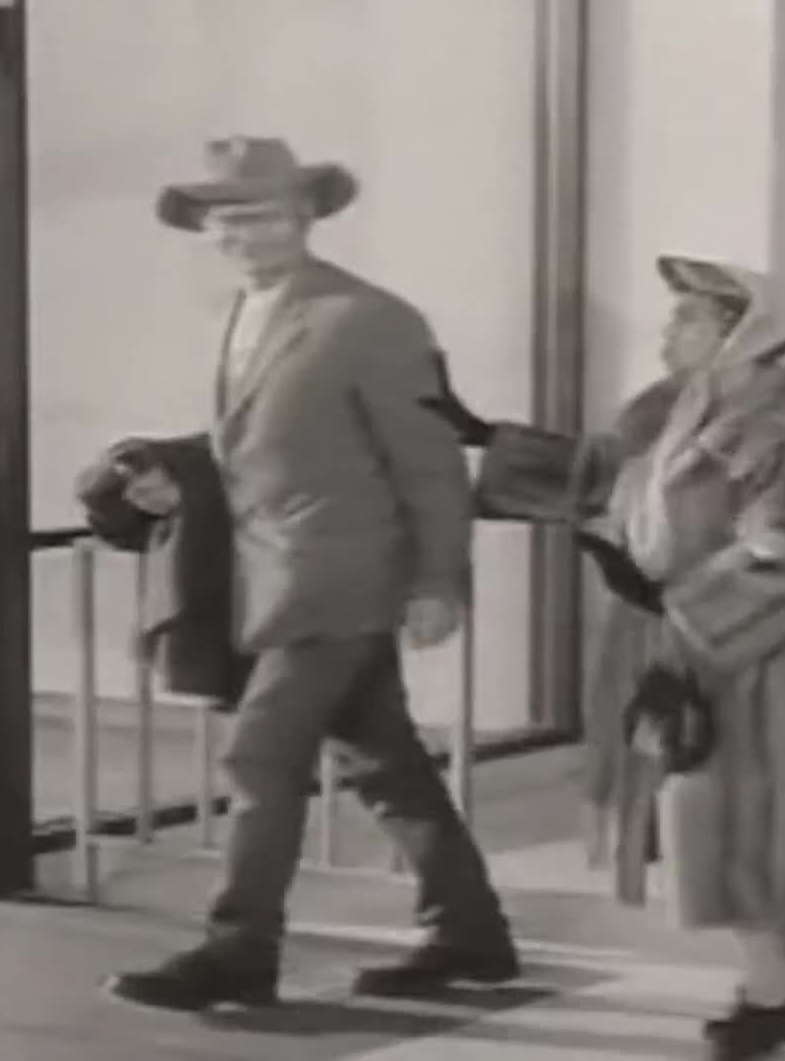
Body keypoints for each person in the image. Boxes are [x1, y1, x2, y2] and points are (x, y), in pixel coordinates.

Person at [101, 136, 519, 1012]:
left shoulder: (369, 318)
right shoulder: (237, 315)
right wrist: (171, 474)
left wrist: (439, 580)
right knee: (384, 761)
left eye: (259, 214)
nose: (240, 233)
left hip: (340, 582)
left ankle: (238, 952)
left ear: (304, 217)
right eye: (224, 217)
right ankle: (471, 935)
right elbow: (256, 445)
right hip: (274, 578)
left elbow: (432, 464)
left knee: (259, 756)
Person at [424, 255, 785, 1061]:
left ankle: (766, 997)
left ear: (740, 334)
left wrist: (676, 600)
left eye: (689, 319)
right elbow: (606, 472)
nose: (668, 331)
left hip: (754, 664)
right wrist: (488, 437)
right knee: (741, 825)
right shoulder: (678, 411)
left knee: (733, 822)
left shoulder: (779, 439)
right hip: (697, 649)